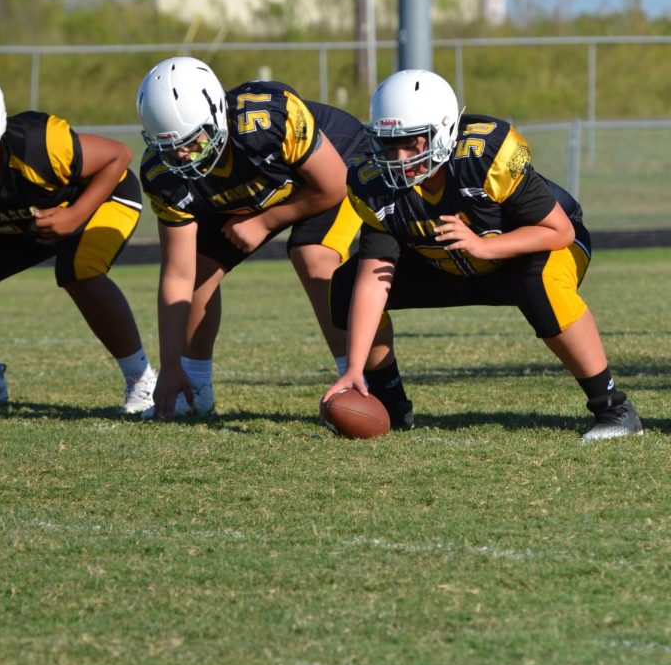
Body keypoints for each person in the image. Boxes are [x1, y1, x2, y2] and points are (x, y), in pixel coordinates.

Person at [321, 68, 643, 441]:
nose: (398, 156)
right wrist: (353, 368)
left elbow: (560, 231)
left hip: (536, 247)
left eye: (411, 142)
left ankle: (614, 409)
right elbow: (374, 276)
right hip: (450, 262)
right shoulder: (370, 182)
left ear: (441, 132)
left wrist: (484, 245)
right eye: (389, 143)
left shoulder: (485, 156)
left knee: (539, 283)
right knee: (345, 286)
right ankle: (391, 409)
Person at [0, 66, 157, 414]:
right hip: (28, 219)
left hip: (101, 196)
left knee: (78, 270)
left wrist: (75, 215)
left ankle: (143, 380)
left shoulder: (38, 143)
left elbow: (119, 155)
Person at [135, 55, 366, 419]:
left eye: (193, 142)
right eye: (169, 147)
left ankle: (354, 382)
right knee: (198, 271)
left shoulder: (266, 122)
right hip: (256, 194)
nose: (182, 156)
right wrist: (170, 364)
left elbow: (333, 185)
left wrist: (262, 222)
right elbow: (177, 275)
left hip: (330, 169)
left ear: (215, 117)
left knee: (313, 255)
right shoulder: (164, 174)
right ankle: (195, 386)